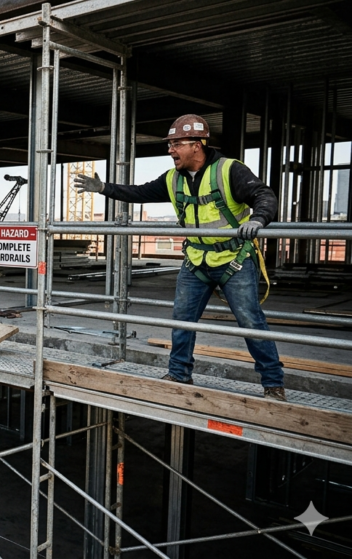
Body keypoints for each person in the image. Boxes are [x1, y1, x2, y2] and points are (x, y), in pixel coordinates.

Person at [73, 114, 285, 401]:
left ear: (197, 145)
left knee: (250, 321)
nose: (170, 150)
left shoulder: (229, 170)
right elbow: (140, 192)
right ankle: (179, 373)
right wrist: (104, 189)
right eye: (170, 144)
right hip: (196, 261)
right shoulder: (173, 178)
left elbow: (264, 195)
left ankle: (273, 384)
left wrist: (258, 220)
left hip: (234, 259)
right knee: (182, 320)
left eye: (176, 144)